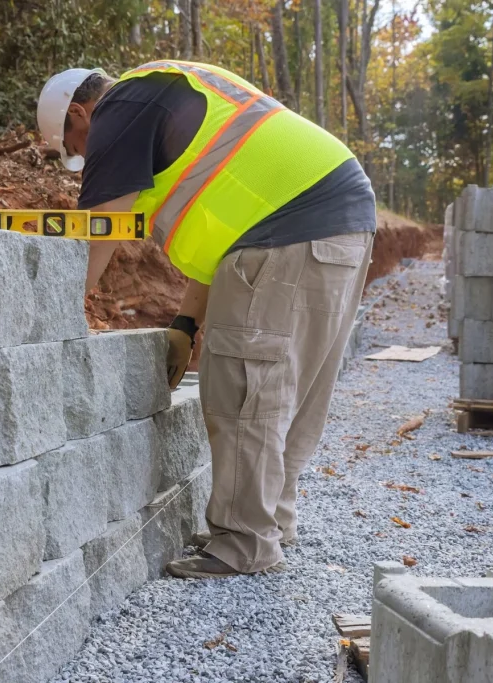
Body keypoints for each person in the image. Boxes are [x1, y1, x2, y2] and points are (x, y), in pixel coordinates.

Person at [36, 61, 376, 579]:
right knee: (283, 386)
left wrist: (49, 321)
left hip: (291, 231)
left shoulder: (122, 108)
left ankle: (245, 542)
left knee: (244, 385)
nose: (85, 156)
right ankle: (268, 522)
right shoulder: (166, 94)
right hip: (337, 221)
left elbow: (93, 237)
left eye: (76, 146)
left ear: (80, 114)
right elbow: (227, 239)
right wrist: (185, 324)